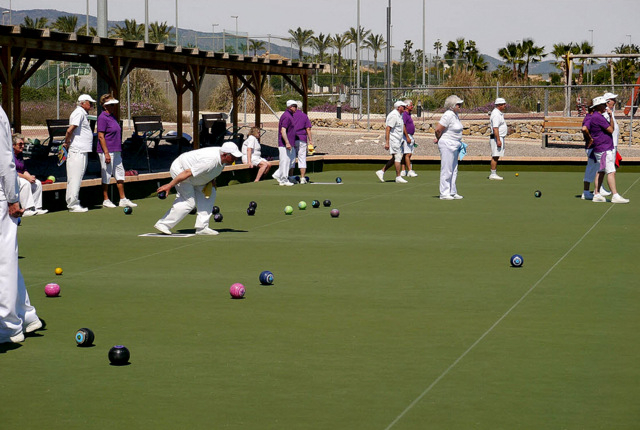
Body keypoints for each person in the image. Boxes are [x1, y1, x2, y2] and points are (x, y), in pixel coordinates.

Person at [0, 105, 42, 344]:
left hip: (2, 194)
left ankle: (8, 326)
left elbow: (5, 159)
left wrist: (13, 197)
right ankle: (25, 315)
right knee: (5, 258)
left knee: (3, 260)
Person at [154, 141, 243, 236]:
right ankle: (163, 224)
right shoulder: (210, 161)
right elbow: (187, 173)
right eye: (233, 157)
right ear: (225, 155)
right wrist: (169, 185)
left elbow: (213, 170)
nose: (235, 159)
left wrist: (211, 179)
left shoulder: (223, 158)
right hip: (181, 170)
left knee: (209, 194)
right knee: (188, 202)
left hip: (196, 175)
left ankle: (202, 227)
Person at [97, 94, 137, 209]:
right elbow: (100, 136)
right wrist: (106, 153)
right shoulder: (102, 118)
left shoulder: (113, 116)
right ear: (105, 106)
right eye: (111, 105)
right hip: (107, 151)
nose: (113, 106)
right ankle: (106, 199)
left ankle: (123, 199)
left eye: (114, 104)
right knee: (107, 174)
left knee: (120, 174)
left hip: (117, 150)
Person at [588, 96, 629, 204]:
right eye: (604, 105)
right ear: (599, 106)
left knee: (601, 171)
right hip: (604, 148)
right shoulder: (598, 117)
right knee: (611, 171)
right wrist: (611, 116)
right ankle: (615, 195)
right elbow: (611, 129)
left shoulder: (596, 116)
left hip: (601, 147)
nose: (606, 106)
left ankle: (597, 194)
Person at [63, 94, 96, 212]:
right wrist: (66, 142)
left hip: (82, 150)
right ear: (82, 103)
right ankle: (73, 204)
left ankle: (73, 202)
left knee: (78, 176)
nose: (91, 105)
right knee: (75, 177)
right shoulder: (79, 113)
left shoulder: (82, 113)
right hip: (77, 150)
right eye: (89, 103)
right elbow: (70, 129)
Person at [434, 95, 465, 200]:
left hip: (455, 144)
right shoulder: (448, 114)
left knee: (454, 169)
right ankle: (444, 193)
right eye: (458, 104)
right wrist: (439, 139)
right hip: (447, 144)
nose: (460, 106)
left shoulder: (455, 115)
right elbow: (438, 129)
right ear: (452, 106)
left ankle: (452, 191)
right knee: (447, 169)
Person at [12, 133, 47, 216]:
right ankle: (26, 210)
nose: (23, 146)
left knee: (37, 183)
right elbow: (13, 172)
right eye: (20, 144)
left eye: (23, 144)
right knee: (25, 183)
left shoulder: (20, 154)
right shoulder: (9, 155)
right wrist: (27, 178)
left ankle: (36, 208)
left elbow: (23, 169)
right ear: (13, 145)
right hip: (11, 178)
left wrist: (30, 176)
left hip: (19, 177)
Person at [376, 100, 410, 183]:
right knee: (398, 157)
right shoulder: (393, 115)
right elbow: (388, 129)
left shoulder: (400, 115)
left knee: (395, 157)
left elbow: (402, 127)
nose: (405, 108)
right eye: (403, 106)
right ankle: (398, 177)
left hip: (399, 140)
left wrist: (406, 137)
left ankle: (381, 171)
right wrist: (387, 142)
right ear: (399, 107)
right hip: (393, 140)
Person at [272, 100, 297, 186]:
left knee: (291, 161)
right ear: (290, 107)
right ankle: (283, 179)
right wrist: (287, 142)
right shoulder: (286, 116)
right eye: (295, 106)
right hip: (284, 144)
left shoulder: (290, 115)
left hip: (290, 143)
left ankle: (278, 175)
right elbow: (283, 130)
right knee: (285, 161)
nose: (296, 108)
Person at [292, 100, 313, 184]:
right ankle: (302, 178)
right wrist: (310, 140)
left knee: (291, 158)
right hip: (302, 139)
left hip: (292, 139)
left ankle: (291, 177)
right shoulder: (304, 116)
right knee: (302, 158)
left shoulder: (291, 115)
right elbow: (308, 128)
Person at [488, 97, 508, 180]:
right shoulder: (496, 114)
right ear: (499, 105)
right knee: (495, 156)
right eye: (503, 104)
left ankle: (493, 173)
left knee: (496, 155)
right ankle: (493, 174)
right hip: (496, 138)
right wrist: (498, 140)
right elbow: (495, 128)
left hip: (499, 137)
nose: (505, 106)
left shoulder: (498, 113)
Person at [400, 99, 418, 177]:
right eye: (411, 105)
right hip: (406, 136)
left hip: (410, 135)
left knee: (406, 154)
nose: (412, 106)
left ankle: (403, 170)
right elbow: (403, 125)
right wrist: (407, 137)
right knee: (408, 153)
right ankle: (410, 170)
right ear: (407, 106)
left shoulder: (408, 114)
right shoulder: (405, 114)